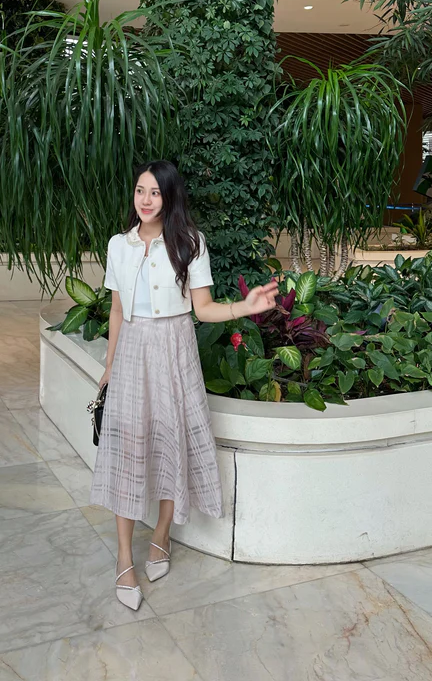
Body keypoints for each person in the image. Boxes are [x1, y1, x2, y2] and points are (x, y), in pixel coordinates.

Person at [89, 159, 279, 610]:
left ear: (170, 196)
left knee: (172, 441)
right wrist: (110, 366)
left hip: (175, 349)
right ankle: (123, 558)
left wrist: (245, 307)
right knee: (127, 450)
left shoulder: (190, 243)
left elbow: (203, 309)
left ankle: (161, 535)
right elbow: (117, 310)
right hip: (132, 351)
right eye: (140, 190)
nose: (146, 200)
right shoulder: (119, 245)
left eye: (155, 192)